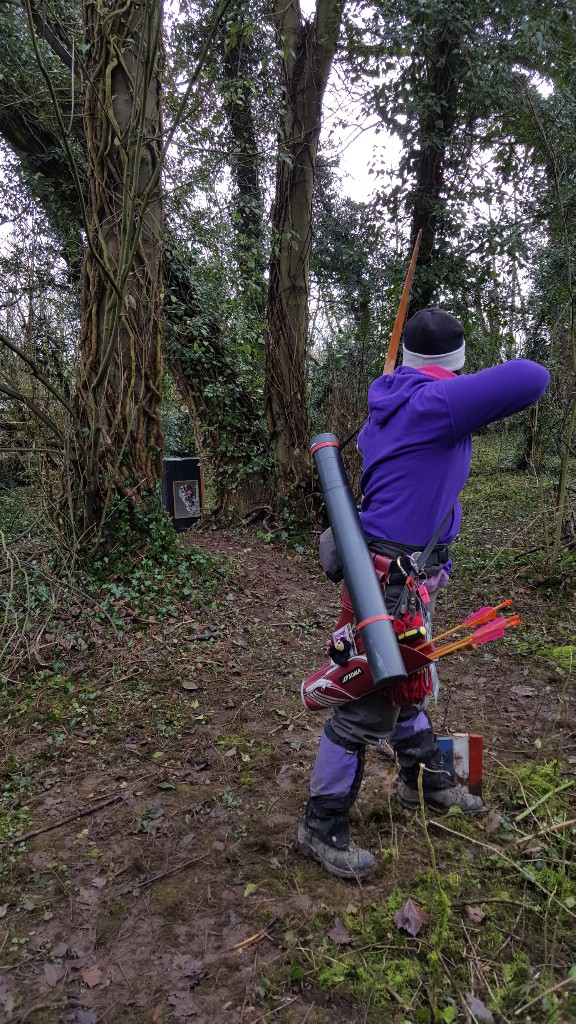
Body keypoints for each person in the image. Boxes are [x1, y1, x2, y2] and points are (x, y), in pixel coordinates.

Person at [298, 308, 550, 880]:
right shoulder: (436, 404)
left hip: (407, 576)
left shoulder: (394, 398)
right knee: (368, 701)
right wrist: (457, 387)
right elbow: (534, 375)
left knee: (408, 684)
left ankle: (426, 783)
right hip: (386, 583)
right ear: (456, 364)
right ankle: (321, 822)